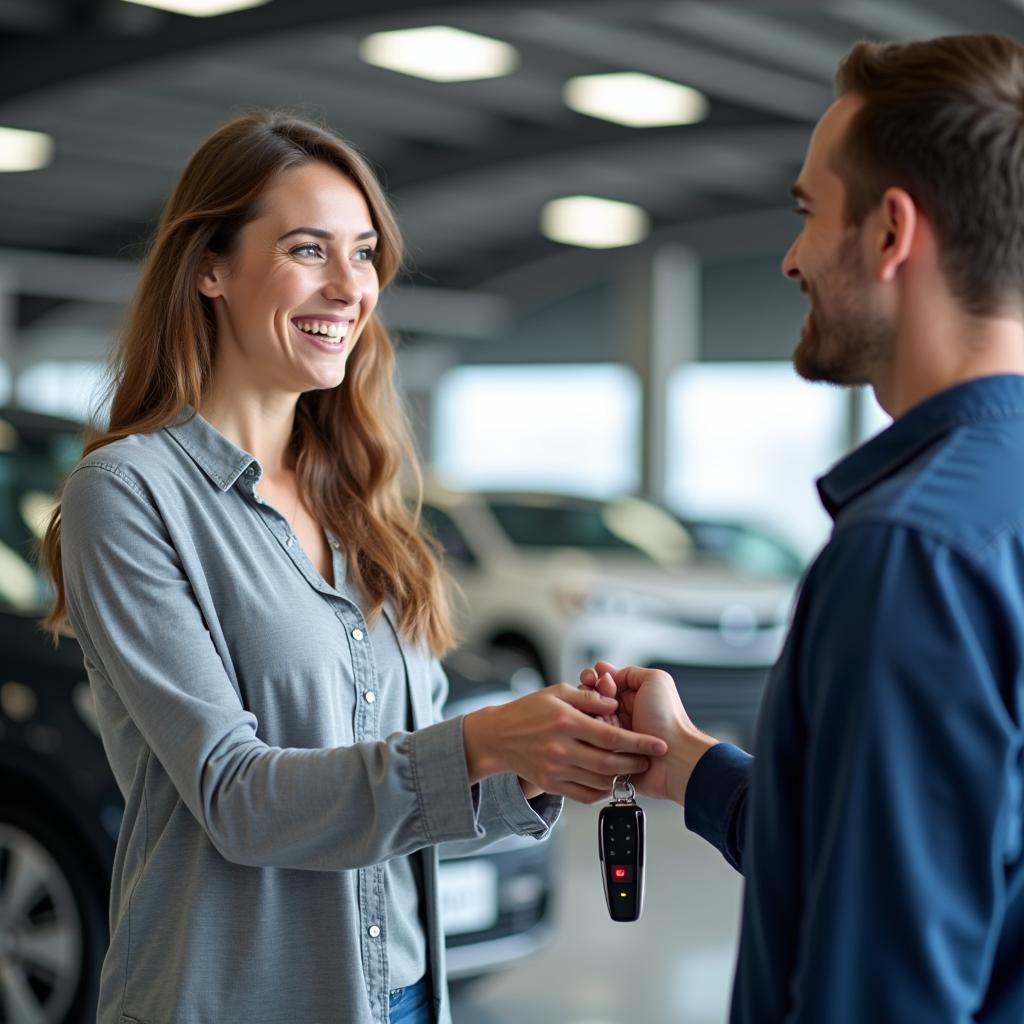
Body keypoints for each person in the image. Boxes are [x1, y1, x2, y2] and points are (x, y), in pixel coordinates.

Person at [38, 112, 667, 1024]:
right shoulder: (130, 494)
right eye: (308, 249)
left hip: (404, 997)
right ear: (208, 268)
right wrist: (486, 739)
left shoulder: (359, 501)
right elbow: (237, 797)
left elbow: (401, 802)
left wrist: (542, 756)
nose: (349, 287)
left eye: (364, 253)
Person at [581, 34, 1024, 1024]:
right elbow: (920, 858)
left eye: (807, 213)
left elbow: (879, 988)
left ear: (888, 232)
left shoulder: (912, 552)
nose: (789, 258)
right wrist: (691, 763)